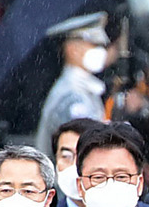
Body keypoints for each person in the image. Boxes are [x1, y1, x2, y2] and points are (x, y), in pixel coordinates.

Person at [34, 19, 110, 156]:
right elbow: (85, 149)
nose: (101, 51)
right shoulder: (71, 95)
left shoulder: (83, 88)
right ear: (72, 50)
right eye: (94, 45)